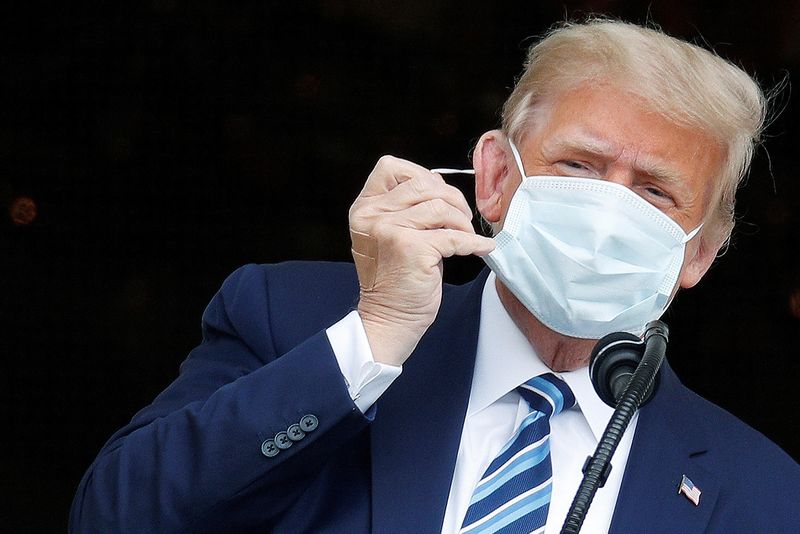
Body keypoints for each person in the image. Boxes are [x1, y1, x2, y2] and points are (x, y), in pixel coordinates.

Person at [70, 19, 800, 533]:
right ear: (492, 178)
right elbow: (115, 516)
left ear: (700, 252)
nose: (607, 211)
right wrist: (375, 338)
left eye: (653, 191)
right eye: (577, 165)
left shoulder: (766, 494)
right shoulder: (288, 317)